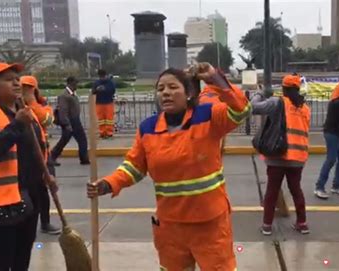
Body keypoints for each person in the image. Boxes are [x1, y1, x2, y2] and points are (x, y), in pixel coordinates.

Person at [87, 63, 251, 270]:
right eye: (161, 88)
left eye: (173, 87)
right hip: (170, 226)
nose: (166, 93)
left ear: (189, 93)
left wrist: (214, 78)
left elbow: (241, 109)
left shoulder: (209, 117)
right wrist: (108, 184)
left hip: (209, 224)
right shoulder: (148, 128)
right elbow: (134, 167)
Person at [0, 61, 57, 270]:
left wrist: (47, 172)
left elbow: (37, 146)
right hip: (3, 196)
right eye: (9, 80)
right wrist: (17, 124)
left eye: (17, 79)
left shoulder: (23, 110)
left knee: (23, 251)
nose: (17, 83)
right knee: (4, 253)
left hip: (30, 191)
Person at [251, 74, 310, 235]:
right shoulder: (304, 107)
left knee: (272, 191)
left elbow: (253, 107)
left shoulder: (277, 102)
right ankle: (302, 223)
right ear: (297, 88)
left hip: (277, 155)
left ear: (283, 88)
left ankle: (267, 226)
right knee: (296, 190)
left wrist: (259, 93)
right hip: (298, 157)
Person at [20, 75, 61, 235]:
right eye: (23, 87)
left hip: (43, 153)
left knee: (45, 189)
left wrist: (31, 102)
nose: (25, 90)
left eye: (29, 88)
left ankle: (45, 222)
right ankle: (28, 224)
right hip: (25, 155)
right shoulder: (15, 106)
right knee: (29, 192)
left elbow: (47, 119)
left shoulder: (41, 105)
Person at [51, 76, 89, 165]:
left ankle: (84, 158)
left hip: (75, 120)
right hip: (70, 121)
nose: (77, 85)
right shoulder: (64, 95)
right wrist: (66, 124)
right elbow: (63, 110)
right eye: (76, 83)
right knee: (68, 140)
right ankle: (52, 156)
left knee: (78, 140)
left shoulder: (72, 94)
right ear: (71, 83)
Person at [92, 69, 116, 139]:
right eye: (100, 76)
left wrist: (104, 89)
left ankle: (109, 133)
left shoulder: (110, 82)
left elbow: (113, 91)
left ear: (105, 75)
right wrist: (97, 90)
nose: (102, 78)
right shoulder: (96, 83)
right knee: (101, 119)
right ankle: (102, 133)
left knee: (109, 119)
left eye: (103, 76)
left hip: (108, 102)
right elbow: (93, 92)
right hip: (100, 103)